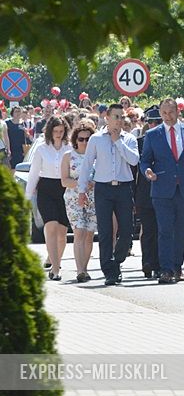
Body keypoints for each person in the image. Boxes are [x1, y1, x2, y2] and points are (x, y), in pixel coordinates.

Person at [140, 98, 184, 284]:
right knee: (164, 230)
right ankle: (166, 269)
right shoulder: (152, 134)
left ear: (178, 112)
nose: (167, 116)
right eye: (164, 113)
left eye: (171, 112)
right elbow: (145, 160)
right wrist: (147, 171)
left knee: (181, 230)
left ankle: (177, 267)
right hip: (162, 188)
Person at [77, 104, 138, 285]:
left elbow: (134, 160)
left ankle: (117, 260)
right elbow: (87, 164)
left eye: (121, 116)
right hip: (103, 189)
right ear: (107, 118)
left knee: (126, 230)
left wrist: (117, 141)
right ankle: (109, 271)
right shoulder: (96, 139)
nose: (119, 120)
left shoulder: (129, 138)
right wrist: (81, 190)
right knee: (105, 231)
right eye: (116, 116)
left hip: (123, 188)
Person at [26, 116, 71, 281]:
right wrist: (27, 197)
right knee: (51, 226)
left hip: (64, 189)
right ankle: (56, 268)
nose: (58, 134)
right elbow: (33, 174)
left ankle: (55, 259)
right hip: (46, 189)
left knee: (62, 232)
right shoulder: (42, 148)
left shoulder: (69, 148)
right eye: (55, 131)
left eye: (61, 131)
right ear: (50, 131)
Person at [61, 120, 98, 282]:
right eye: (81, 139)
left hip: (93, 199)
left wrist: (92, 184)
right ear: (75, 139)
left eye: (88, 139)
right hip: (74, 199)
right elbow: (64, 181)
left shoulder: (97, 157)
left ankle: (85, 267)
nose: (84, 142)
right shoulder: (68, 156)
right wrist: (81, 183)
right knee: (79, 232)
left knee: (89, 234)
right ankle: (80, 270)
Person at [135, 106, 163, 279]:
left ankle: (158, 264)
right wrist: (133, 197)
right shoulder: (139, 142)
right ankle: (147, 262)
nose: (154, 125)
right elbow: (133, 173)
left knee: (162, 229)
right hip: (144, 193)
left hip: (164, 191)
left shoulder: (168, 140)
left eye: (157, 121)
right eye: (151, 122)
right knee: (148, 230)